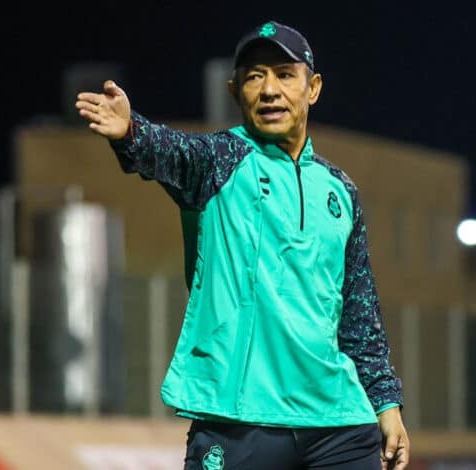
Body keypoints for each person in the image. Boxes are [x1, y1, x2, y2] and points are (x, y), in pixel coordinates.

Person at [76, 21, 409, 470]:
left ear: (313, 89)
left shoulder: (340, 190)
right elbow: (171, 151)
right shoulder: (219, 161)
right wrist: (130, 131)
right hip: (239, 422)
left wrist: (386, 403)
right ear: (236, 91)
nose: (269, 89)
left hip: (339, 423)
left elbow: (358, 309)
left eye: (284, 75)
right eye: (255, 77)